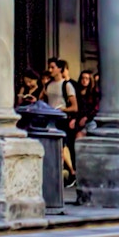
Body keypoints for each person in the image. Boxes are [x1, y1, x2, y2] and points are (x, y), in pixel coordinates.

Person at [44, 58, 79, 186]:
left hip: (61, 119)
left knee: (62, 145)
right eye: (49, 67)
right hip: (49, 118)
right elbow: (43, 99)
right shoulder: (48, 85)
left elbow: (75, 107)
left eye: (53, 67)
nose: (50, 70)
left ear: (60, 69)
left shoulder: (66, 85)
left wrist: (62, 109)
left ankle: (71, 172)